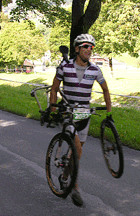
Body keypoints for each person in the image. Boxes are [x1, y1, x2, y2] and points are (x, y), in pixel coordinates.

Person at [49, 33, 112, 207]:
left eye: (91, 47)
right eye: (85, 46)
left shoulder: (95, 70)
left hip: (84, 112)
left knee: (78, 151)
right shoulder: (65, 67)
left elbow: (106, 90)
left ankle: (64, 177)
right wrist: (53, 109)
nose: (89, 50)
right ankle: (74, 187)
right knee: (76, 146)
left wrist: (109, 112)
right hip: (68, 110)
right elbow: (54, 89)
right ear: (77, 49)